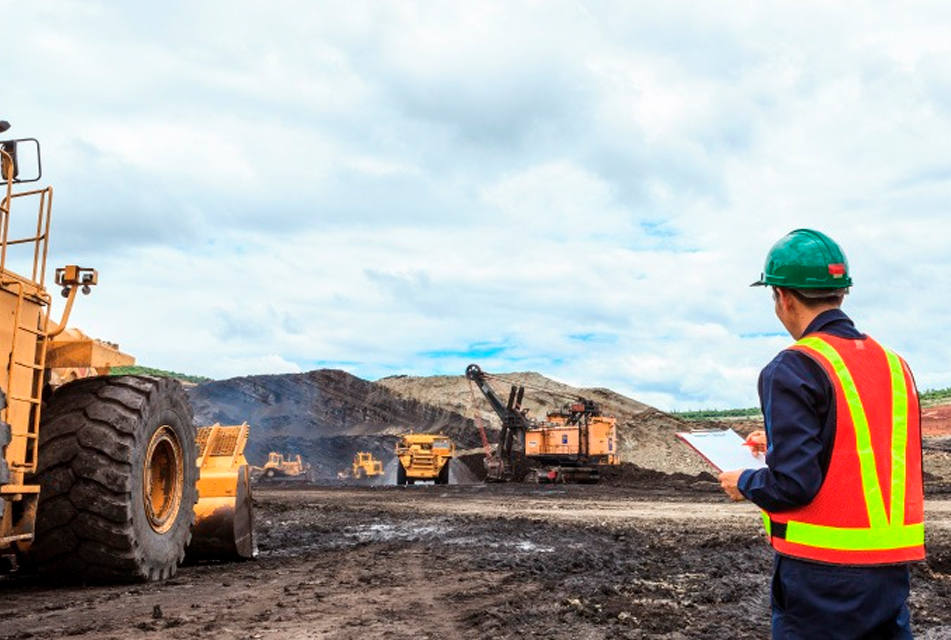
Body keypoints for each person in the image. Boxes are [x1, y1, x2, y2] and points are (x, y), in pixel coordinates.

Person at [718, 228, 925, 639]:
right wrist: (776, 440)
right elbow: (868, 446)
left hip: (822, 577)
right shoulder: (894, 365)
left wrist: (745, 481)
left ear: (783, 297)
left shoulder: (792, 367)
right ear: (841, 294)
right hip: (889, 572)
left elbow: (792, 485)